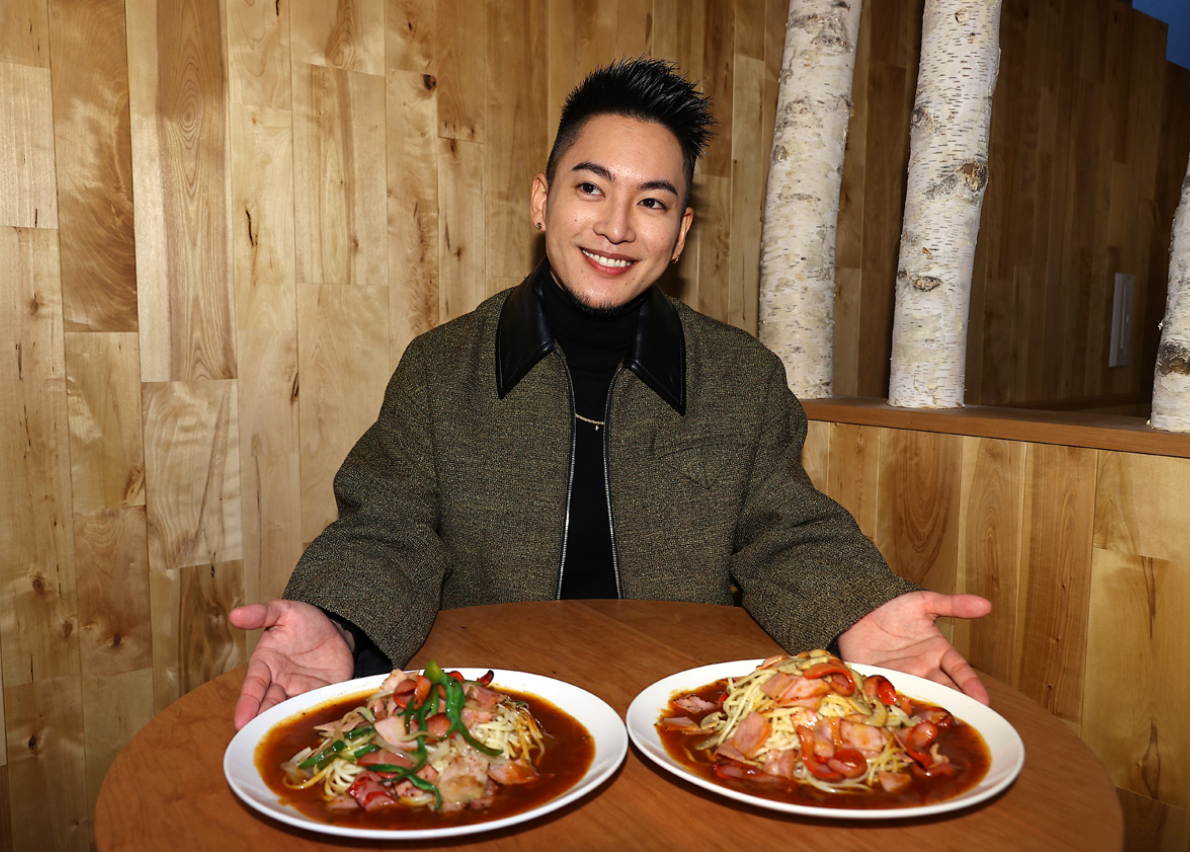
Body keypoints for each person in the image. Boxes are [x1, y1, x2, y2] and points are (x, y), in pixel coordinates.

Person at [230, 58, 991, 731]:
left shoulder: (743, 379)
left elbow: (786, 532)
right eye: (591, 188)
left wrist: (861, 607)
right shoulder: (440, 368)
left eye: (652, 202)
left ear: (680, 232)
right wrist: (336, 615)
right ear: (542, 200)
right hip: (490, 716)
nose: (616, 227)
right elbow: (386, 529)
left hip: (679, 718)